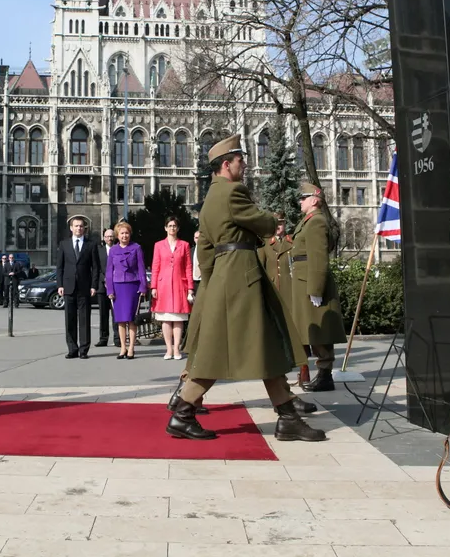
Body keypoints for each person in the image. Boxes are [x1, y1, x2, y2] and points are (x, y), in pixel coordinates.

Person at [166, 134, 324, 442]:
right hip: (242, 277)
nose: (245, 164)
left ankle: (287, 416)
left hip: (228, 276)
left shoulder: (210, 197)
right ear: (227, 164)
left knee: (262, 345)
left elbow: (208, 252)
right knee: (225, 351)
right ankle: (183, 413)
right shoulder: (232, 192)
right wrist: (273, 218)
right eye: (240, 160)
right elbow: (264, 224)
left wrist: (214, 281)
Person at [291, 183, 347, 392]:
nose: (300, 201)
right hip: (303, 281)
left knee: (320, 330)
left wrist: (316, 288)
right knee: (311, 329)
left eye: (303, 197)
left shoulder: (316, 222)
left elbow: (318, 257)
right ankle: (322, 375)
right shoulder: (308, 222)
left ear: (314, 200)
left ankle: (325, 376)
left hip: (310, 283)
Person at [258, 214, 313, 385]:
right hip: (275, 293)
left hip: (292, 293)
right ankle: (279, 376)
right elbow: (260, 267)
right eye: (275, 224)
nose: (278, 227)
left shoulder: (293, 242)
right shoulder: (266, 244)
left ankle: (304, 371)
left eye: (281, 223)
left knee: (299, 334)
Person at [151, 217, 194, 360]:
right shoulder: (158, 245)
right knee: (166, 319)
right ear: (165, 228)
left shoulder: (184, 245)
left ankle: (177, 349)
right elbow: (155, 266)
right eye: (169, 226)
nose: (172, 228)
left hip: (180, 285)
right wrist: (154, 286)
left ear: (178, 228)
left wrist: (190, 288)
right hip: (163, 286)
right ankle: (168, 349)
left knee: (178, 318)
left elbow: (188, 267)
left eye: (174, 226)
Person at [56, 215, 98, 359]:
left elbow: (95, 268)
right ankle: (72, 349)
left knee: (84, 320)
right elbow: (60, 267)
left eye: (81, 226)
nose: (79, 228)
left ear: (84, 228)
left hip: (85, 287)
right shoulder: (64, 244)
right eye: (76, 226)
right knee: (70, 319)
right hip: (68, 287)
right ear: (71, 228)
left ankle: (83, 350)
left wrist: (94, 285)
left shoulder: (91, 245)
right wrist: (60, 285)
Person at [106, 221, 148, 359]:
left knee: (131, 319)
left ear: (130, 234)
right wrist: (110, 290)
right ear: (117, 235)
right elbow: (109, 272)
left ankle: (131, 348)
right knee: (120, 320)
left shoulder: (136, 248)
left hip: (132, 286)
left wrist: (143, 286)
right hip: (118, 286)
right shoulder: (113, 250)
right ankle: (123, 347)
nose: (124, 236)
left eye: (127, 233)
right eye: (122, 233)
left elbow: (142, 269)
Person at [95, 228, 116, 347]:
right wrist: (105, 279)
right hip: (102, 286)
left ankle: (117, 338)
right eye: (107, 236)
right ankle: (103, 338)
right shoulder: (99, 251)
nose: (109, 238)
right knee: (103, 314)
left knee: (116, 314)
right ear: (103, 238)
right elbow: (96, 268)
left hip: (116, 286)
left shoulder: (118, 249)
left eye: (111, 236)